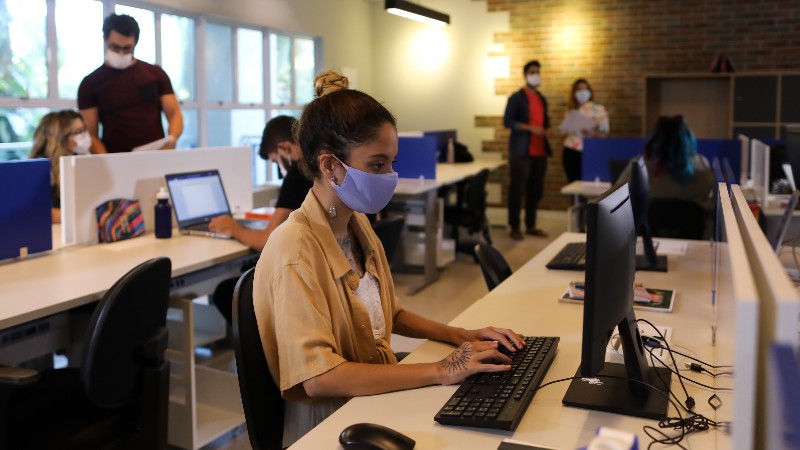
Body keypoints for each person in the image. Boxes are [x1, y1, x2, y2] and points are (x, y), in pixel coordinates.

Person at [253, 71, 524, 447]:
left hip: (373, 397)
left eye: (392, 163)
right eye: (378, 165)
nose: (390, 176)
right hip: (334, 423)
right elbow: (318, 378)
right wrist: (440, 369)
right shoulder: (294, 249)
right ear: (331, 166)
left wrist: (461, 335)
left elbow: (389, 314)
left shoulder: (357, 225)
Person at [77, 13, 183, 153]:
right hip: (116, 159)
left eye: (127, 48)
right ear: (105, 40)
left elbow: (174, 113)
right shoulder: (90, 84)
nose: (121, 52)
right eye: (115, 47)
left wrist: (172, 138)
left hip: (157, 155)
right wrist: (107, 161)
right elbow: (91, 134)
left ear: (135, 43)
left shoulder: (155, 74)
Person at [208, 115, 313, 251]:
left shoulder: (297, 174)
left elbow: (267, 241)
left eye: (276, 162)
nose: (280, 169)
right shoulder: (317, 164)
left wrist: (234, 229)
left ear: (284, 148)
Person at [617, 115, 716, 213]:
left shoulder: (639, 166)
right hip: (694, 228)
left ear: (654, 139)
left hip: (649, 227)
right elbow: (708, 197)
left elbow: (617, 196)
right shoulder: (702, 165)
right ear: (688, 139)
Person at [503, 60, 552, 241]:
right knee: (517, 190)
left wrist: (547, 130)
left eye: (538, 71)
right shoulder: (516, 98)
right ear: (525, 75)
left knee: (535, 190)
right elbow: (508, 122)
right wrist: (530, 128)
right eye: (532, 72)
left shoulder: (541, 99)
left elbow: (544, 121)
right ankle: (515, 226)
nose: (536, 75)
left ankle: (531, 225)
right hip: (521, 151)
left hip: (540, 151)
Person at [28, 110, 91, 223]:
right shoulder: (38, 169)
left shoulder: (79, 160)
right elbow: (38, 211)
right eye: (78, 132)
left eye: (84, 130)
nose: (84, 136)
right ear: (60, 137)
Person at [560, 78, 610, 183]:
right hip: (571, 152)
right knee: (573, 185)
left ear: (590, 92)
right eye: (579, 89)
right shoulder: (571, 110)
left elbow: (605, 134)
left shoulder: (599, 109)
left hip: (589, 150)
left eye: (585, 89)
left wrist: (591, 132)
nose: (582, 92)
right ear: (574, 93)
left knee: (589, 185)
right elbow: (564, 134)